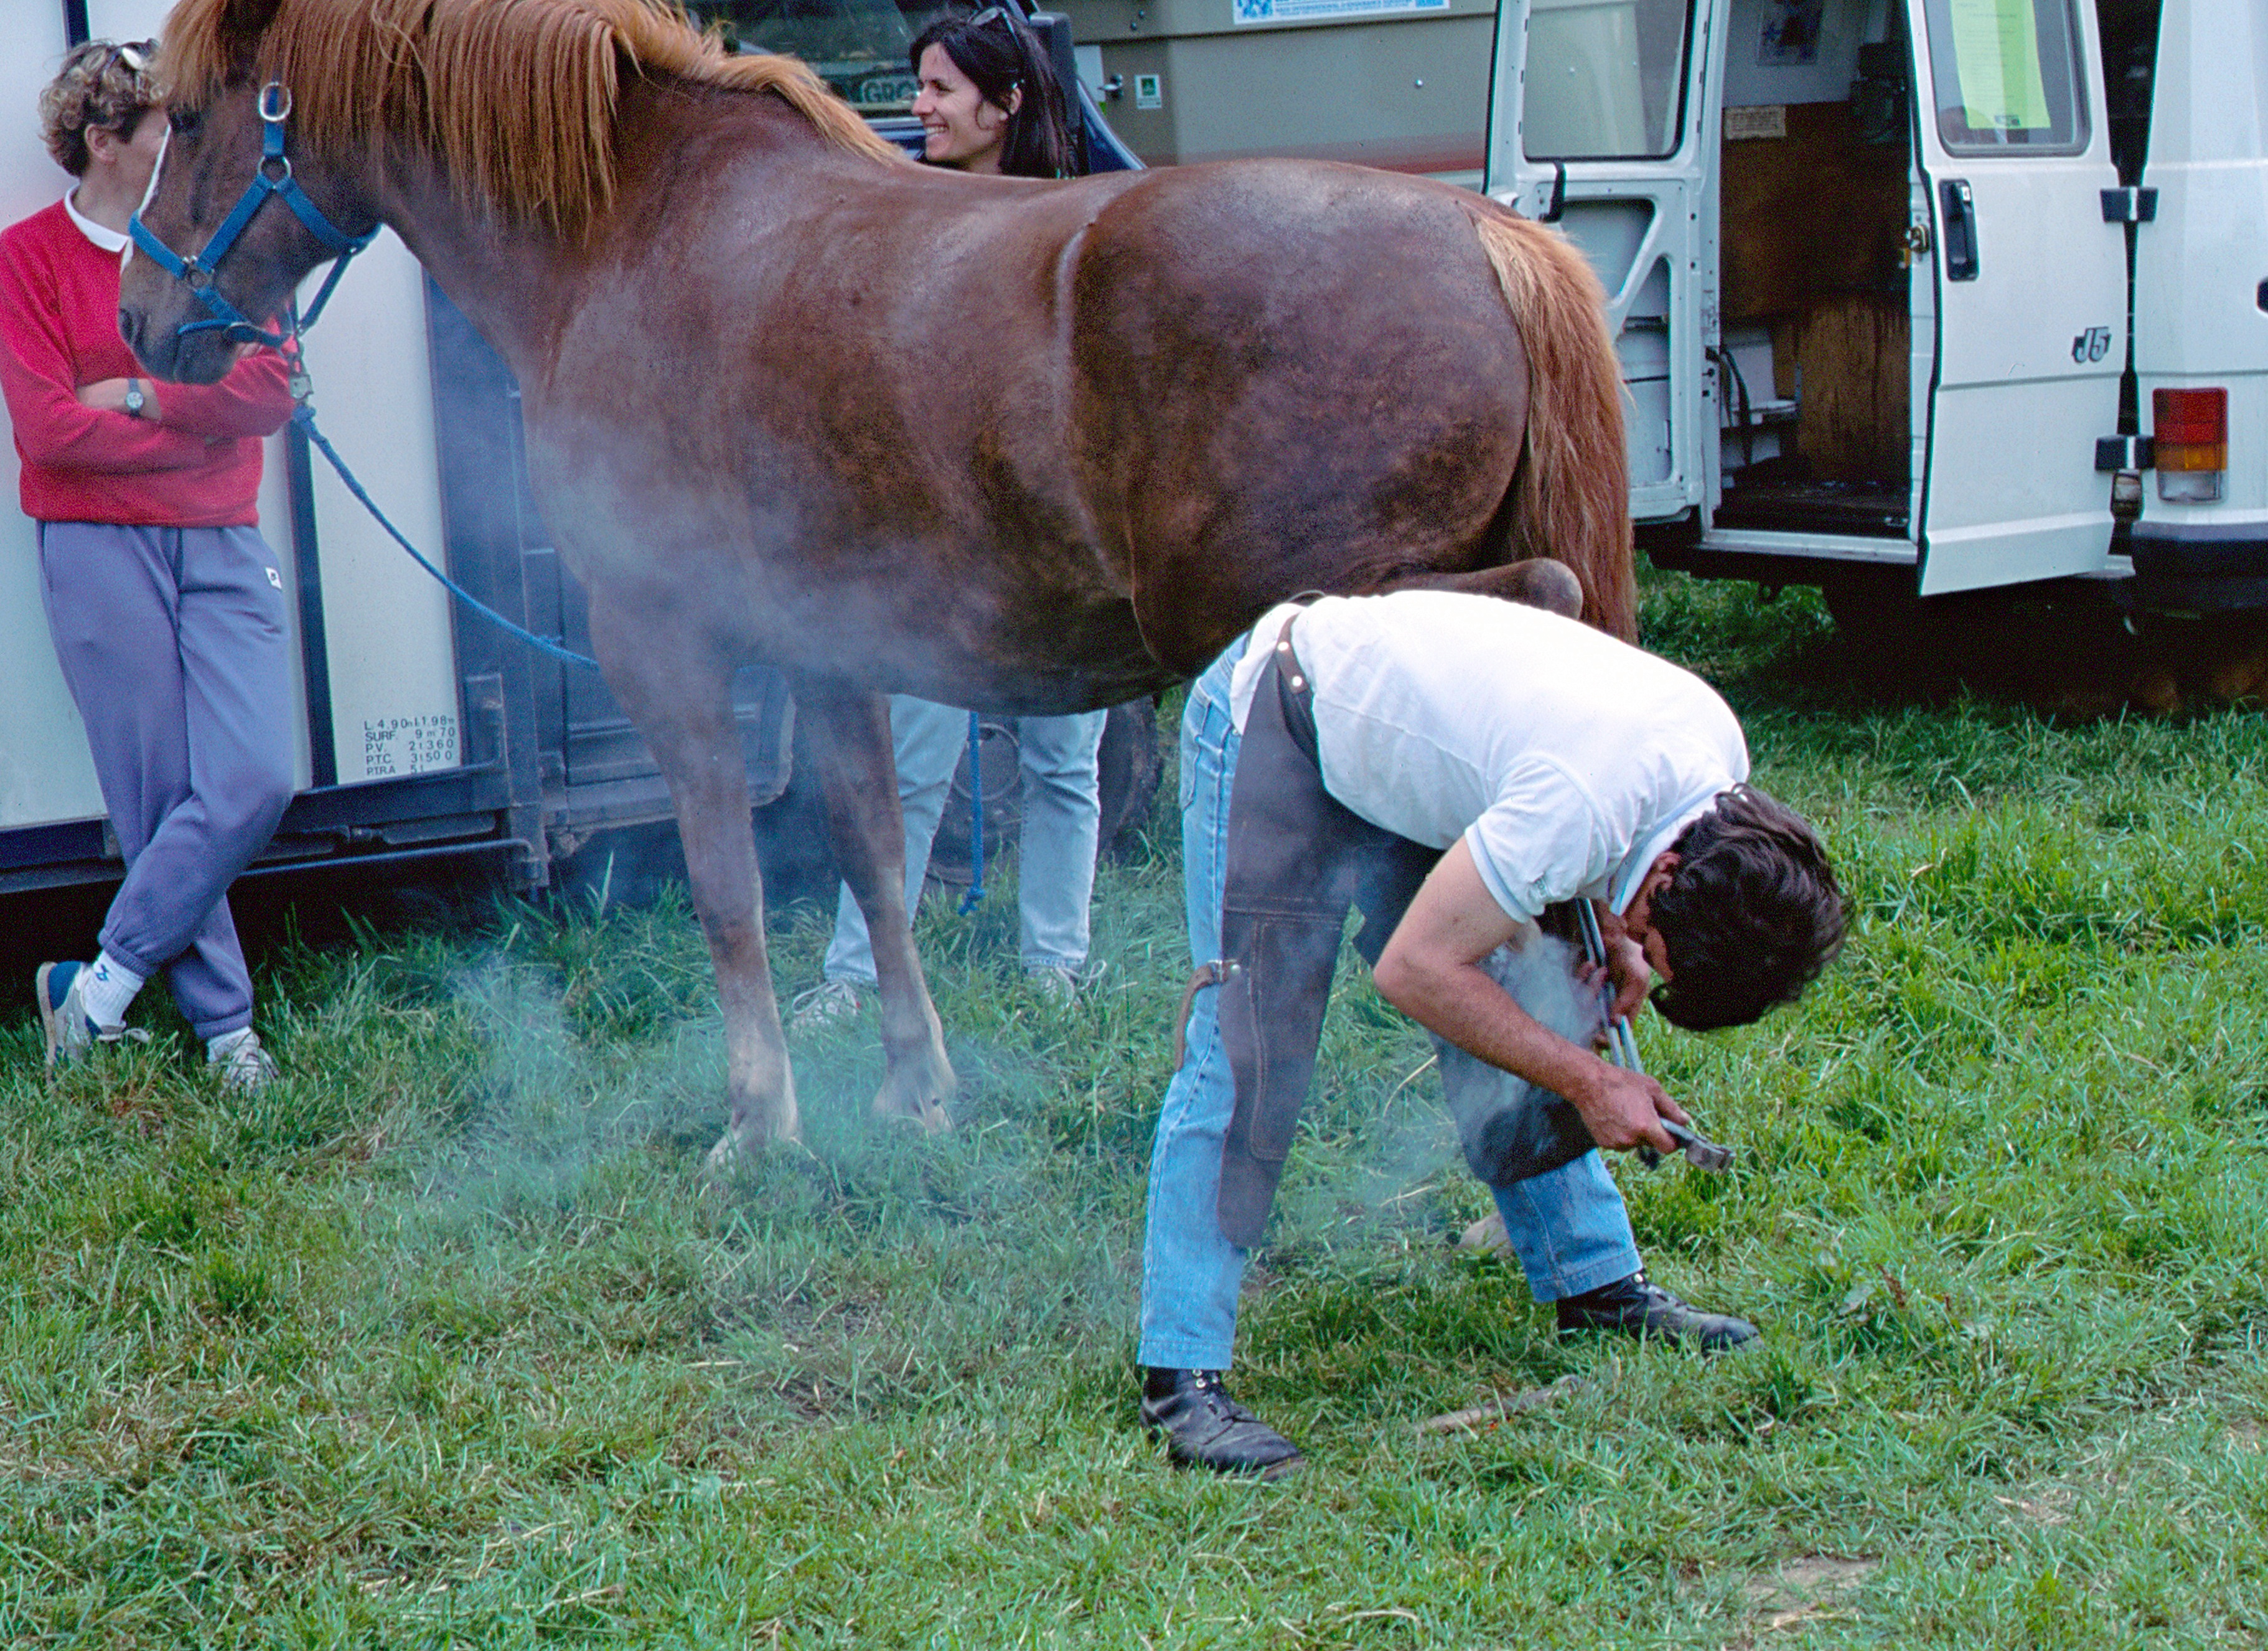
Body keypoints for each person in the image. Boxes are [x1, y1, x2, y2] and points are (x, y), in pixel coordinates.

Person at [1138, 587, 1847, 1477]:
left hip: (1403, 760)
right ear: (1672, 871)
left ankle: (1596, 1287)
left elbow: (1578, 828)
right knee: (1246, 1044)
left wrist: (1615, 934)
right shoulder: (1580, 802)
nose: (1646, 964)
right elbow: (1415, 971)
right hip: (1276, 720)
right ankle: (1181, 1380)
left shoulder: (1716, 765)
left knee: (1527, 994)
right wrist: (1590, 1082)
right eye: (1661, 951)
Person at [2, 40, 299, 1089]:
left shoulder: (216, 250)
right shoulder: (26, 257)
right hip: (96, 551)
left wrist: (138, 398)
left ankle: (95, 991)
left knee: (258, 774)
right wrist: (203, 431)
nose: (186, 145)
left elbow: (272, 394)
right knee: (157, 790)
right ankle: (228, 1034)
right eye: (166, 128)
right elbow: (46, 434)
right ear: (104, 141)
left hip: (222, 537)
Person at [799, 4, 1096, 1020]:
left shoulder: (1075, 220)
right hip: (937, 543)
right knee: (913, 765)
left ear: (1004, 104)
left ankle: (1055, 965)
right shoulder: (902, 211)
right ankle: (856, 974)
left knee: (1063, 762)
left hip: (1058, 538)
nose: (917, 107)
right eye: (919, 85)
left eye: (938, 90)